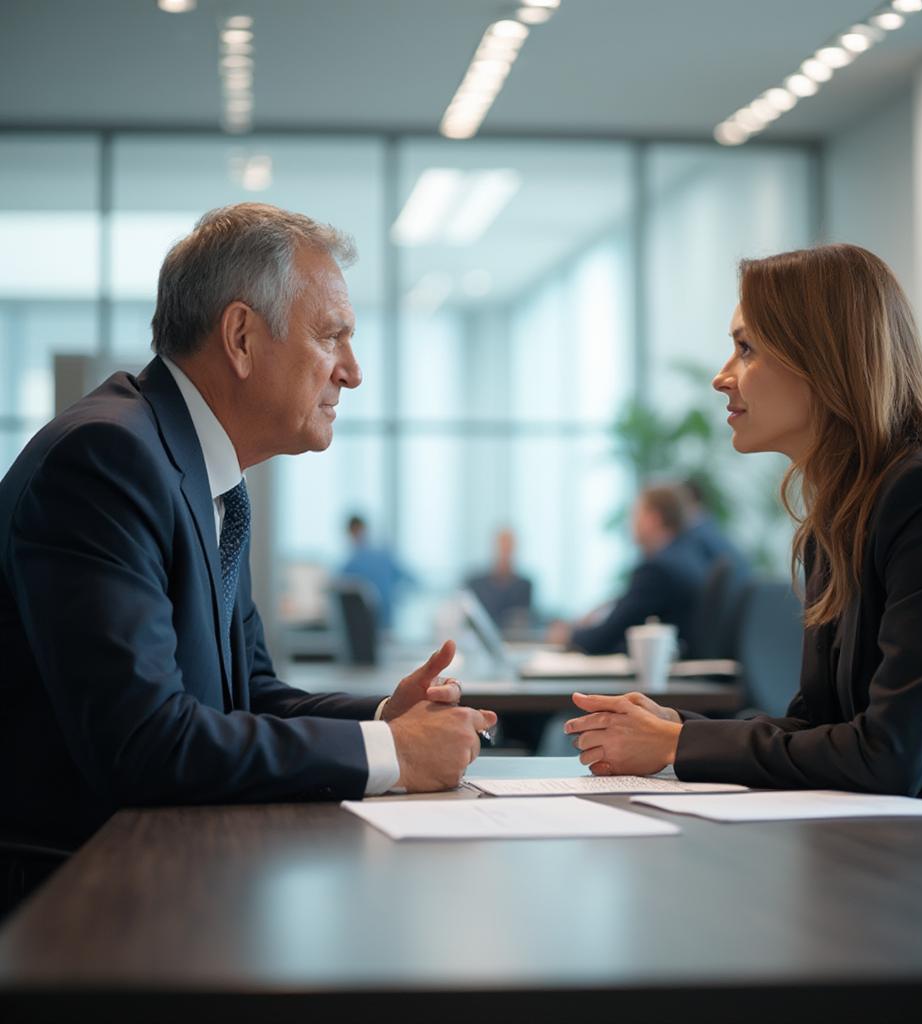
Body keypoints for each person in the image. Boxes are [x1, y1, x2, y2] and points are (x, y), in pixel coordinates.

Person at [0, 203, 496, 850]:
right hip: (77, 901)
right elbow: (145, 743)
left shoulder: (207, 478)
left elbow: (250, 695)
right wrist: (392, 752)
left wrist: (383, 718)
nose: (352, 370)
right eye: (331, 335)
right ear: (240, 337)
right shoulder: (106, 460)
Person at [565, 243, 922, 820]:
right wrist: (676, 727)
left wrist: (680, 746)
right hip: (900, 850)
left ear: (824, 359)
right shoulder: (841, 518)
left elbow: (888, 756)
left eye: (745, 347)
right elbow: (820, 728)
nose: (721, 376)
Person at [549, 483, 747, 655]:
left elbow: (606, 636)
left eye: (635, 514)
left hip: (675, 678)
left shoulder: (657, 570)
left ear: (653, 519)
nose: (630, 523)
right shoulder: (690, 557)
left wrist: (569, 635)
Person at [341, 513, 414, 630]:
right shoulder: (384, 554)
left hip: (369, 624)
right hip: (384, 621)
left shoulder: (351, 564)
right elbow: (408, 579)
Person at [466, 527, 533, 634]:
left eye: (509, 547)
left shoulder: (524, 585)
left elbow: (523, 621)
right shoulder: (476, 583)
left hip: (513, 641)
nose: (505, 552)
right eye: (502, 547)